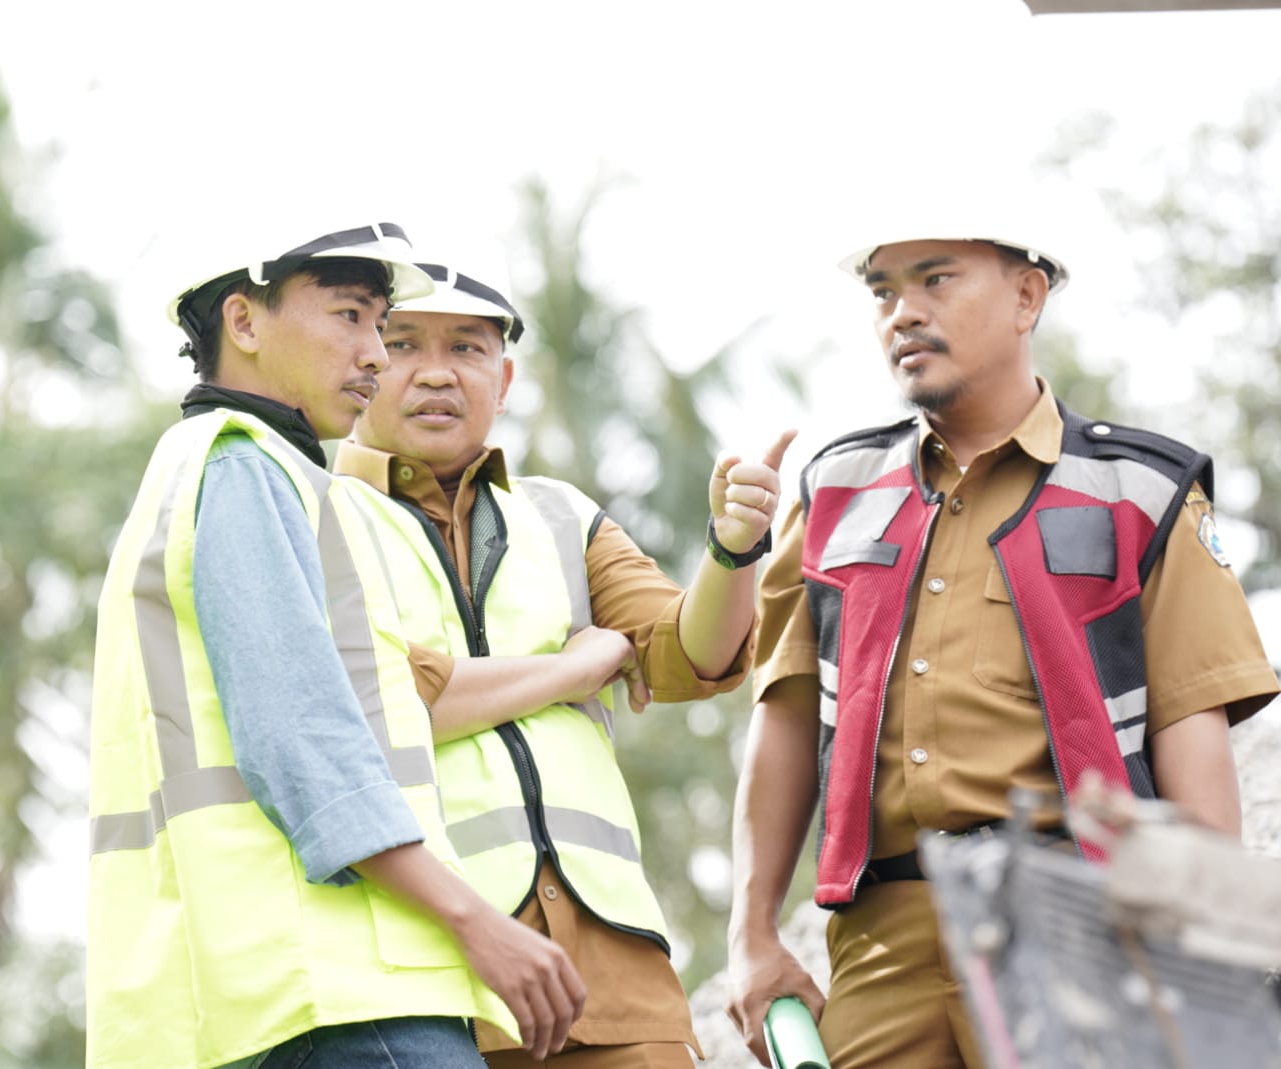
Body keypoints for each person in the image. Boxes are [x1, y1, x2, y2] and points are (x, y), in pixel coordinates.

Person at [724, 222, 1280, 1069]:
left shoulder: (1143, 492)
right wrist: (752, 933)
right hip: (879, 946)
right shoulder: (834, 490)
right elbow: (788, 720)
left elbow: (1189, 736)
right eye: (883, 290)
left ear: (1028, 296)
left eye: (935, 280)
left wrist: (1201, 965)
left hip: (1079, 924)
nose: (902, 313)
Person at [87, 224, 587, 1069]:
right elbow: (301, 744)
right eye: (352, 318)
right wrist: (474, 919)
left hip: (265, 995)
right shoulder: (242, 468)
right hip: (343, 998)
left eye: (377, 325)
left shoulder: (219, 472)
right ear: (243, 322)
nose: (375, 356)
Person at [334, 255, 796, 1068]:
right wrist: (574, 670)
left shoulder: (559, 515)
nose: (437, 373)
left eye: (468, 350)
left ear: (504, 378)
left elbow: (692, 653)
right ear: (364, 358)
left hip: (613, 971)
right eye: (404, 343)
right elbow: (378, 705)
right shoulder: (316, 511)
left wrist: (733, 550)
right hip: (430, 972)